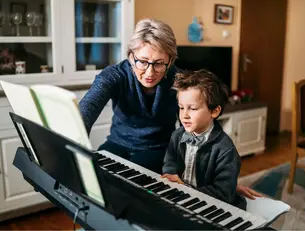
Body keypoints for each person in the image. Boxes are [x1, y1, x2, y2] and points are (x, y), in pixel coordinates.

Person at [79, 18, 262, 199]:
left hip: (159, 149)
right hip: (117, 143)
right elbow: (86, 110)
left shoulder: (178, 80)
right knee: (95, 181)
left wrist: (220, 177)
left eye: (159, 63)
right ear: (130, 55)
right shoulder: (113, 76)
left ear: (171, 60)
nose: (150, 73)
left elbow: (196, 130)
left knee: (128, 191)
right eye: (142, 61)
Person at [162, 69, 246, 209]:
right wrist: (171, 175)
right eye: (181, 108)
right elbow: (169, 162)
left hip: (211, 205)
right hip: (181, 197)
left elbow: (223, 193)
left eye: (193, 109)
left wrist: (186, 189)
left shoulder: (225, 149)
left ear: (215, 111)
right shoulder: (177, 135)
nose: (184, 115)